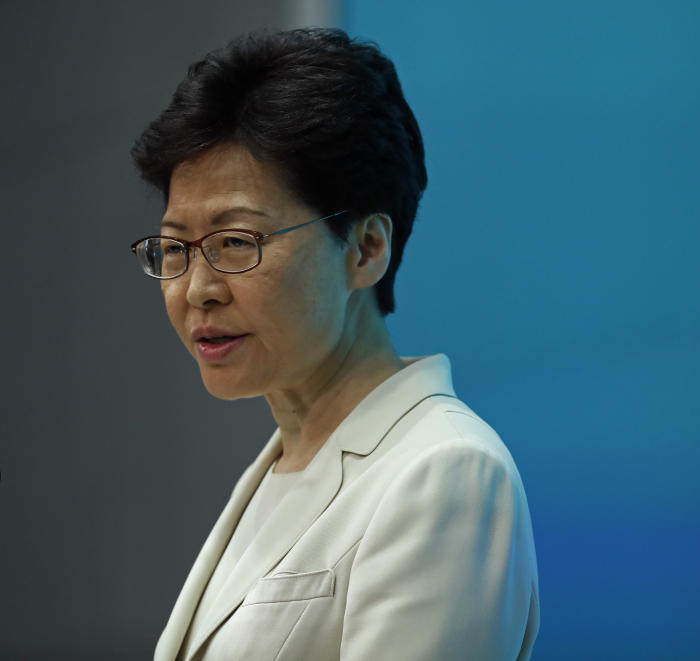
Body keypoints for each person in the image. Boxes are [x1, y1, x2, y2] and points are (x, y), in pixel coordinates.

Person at [129, 28, 539, 661]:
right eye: (176, 247)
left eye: (237, 241)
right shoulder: (282, 463)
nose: (198, 289)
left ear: (367, 248)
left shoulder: (444, 470)